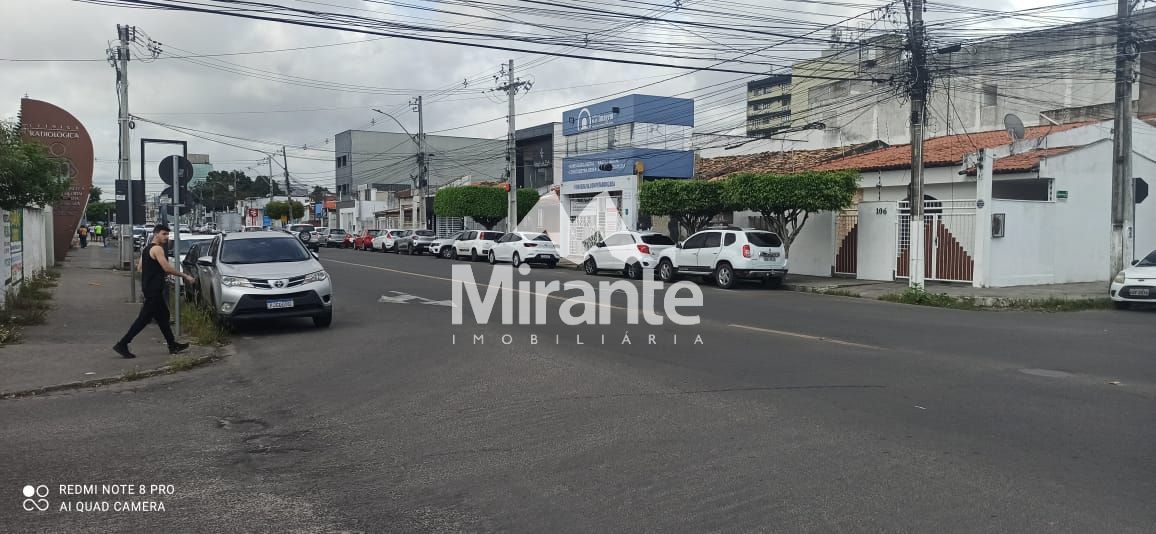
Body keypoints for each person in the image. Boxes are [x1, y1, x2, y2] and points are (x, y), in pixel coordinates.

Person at [113, 223, 194, 359]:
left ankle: (172, 344)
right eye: (164, 234)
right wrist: (185, 276)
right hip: (154, 291)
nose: (166, 237)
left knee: (163, 317)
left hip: (150, 289)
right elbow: (167, 268)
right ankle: (122, 344)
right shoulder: (157, 249)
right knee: (143, 320)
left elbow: (140, 268)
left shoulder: (147, 249)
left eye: (167, 234)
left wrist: (154, 272)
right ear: (156, 234)